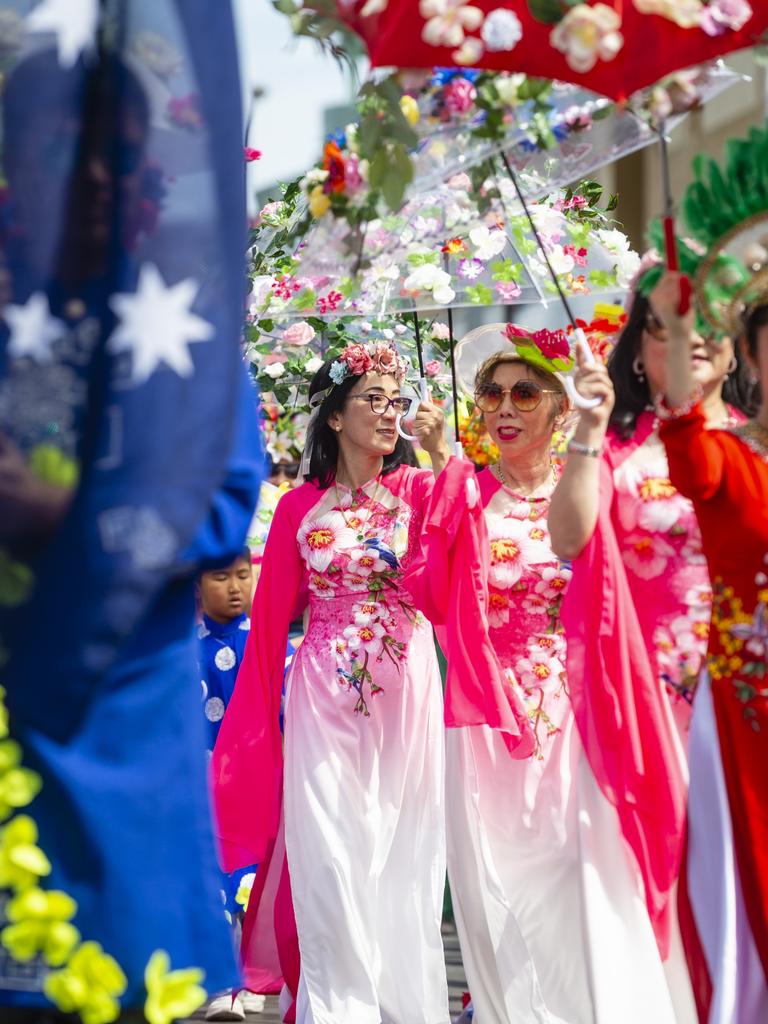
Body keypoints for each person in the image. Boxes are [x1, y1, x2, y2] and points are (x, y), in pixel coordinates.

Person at [416, 323, 683, 1024]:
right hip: (484, 724)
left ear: (561, 408)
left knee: (577, 877)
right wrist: (441, 486)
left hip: (574, 719)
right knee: (493, 886)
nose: (504, 408)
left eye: (524, 393)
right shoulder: (465, 493)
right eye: (492, 394)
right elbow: (432, 600)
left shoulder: (585, 488)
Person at [212, 340, 453, 1024]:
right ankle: (335, 1005)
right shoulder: (298, 508)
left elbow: (439, 596)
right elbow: (272, 620)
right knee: (330, 847)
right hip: (320, 692)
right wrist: (258, 714)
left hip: (406, 691)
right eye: (372, 399)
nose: (389, 412)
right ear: (334, 417)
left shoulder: (422, 489)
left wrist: (438, 460)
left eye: (395, 401)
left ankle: (399, 1003)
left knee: (400, 847)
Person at [548, 265, 751, 749]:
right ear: (637, 349)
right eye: (668, 324)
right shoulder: (614, 445)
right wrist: (590, 429)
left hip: (743, 680)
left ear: (738, 349)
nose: (693, 337)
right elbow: (567, 539)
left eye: (709, 322)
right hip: (636, 682)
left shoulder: (757, 444)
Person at [651, 270, 768, 1023]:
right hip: (748, 714)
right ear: (753, 360)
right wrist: (680, 378)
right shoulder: (729, 452)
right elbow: (689, 462)